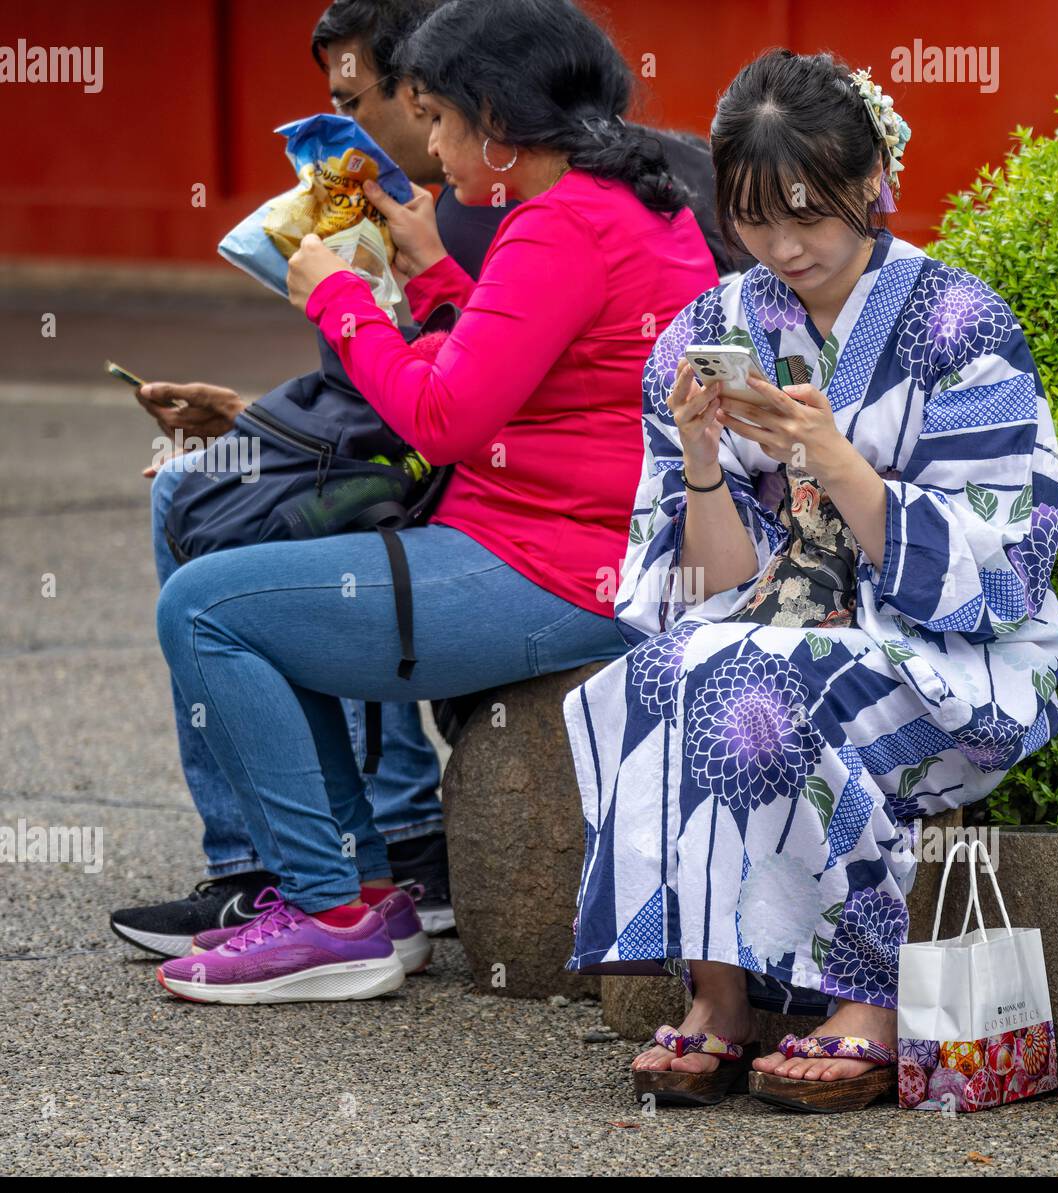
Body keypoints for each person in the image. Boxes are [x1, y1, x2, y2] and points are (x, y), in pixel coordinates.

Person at [111, 0, 743, 957]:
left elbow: (444, 419)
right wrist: (443, 278)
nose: (434, 148)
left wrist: (336, 295)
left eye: (439, 118)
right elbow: (537, 369)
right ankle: (363, 890)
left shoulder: (557, 225)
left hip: (551, 563)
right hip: (582, 546)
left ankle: (333, 911)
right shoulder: (627, 202)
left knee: (207, 608)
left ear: (495, 117)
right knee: (269, 578)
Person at [564, 49, 1058, 1111]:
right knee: (661, 672)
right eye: (753, 218)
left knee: (770, 680)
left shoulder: (959, 326)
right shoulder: (708, 331)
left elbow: (1004, 557)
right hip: (772, 623)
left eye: (810, 213)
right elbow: (708, 580)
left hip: (948, 649)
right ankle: (719, 989)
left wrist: (836, 462)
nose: (784, 247)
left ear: (875, 179)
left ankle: (866, 992)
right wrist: (702, 458)